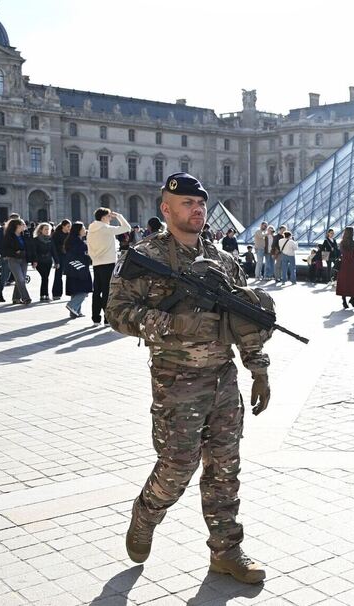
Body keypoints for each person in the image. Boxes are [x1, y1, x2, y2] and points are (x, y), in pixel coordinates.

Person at [107, 172, 272, 585]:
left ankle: (227, 551)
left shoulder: (222, 260)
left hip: (222, 378)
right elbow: (117, 314)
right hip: (175, 380)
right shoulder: (145, 257)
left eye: (200, 203)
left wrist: (259, 368)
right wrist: (172, 323)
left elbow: (245, 320)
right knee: (178, 466)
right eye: (187, 204)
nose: (196, 209)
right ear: (166, 209)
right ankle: (146, 513)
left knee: (224, 468)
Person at [86, 206, 131, 325]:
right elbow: (127, 228)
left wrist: (94, 257)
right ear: (103, 217)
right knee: (107, 291)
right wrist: (119, 216)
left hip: (96, 263)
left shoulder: (90, 230)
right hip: (109, 263)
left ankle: (95, 318)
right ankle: (107, 318)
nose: (110, 218)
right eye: (109, 216)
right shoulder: (106, 229)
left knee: (97, 291)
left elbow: (89, 247)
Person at [0, 218, 31, 305]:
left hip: (24, 259)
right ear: (17, 226)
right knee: (20, 279)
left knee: (20, 280)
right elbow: (4, 249)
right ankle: (26, 298)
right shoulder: (9, 236)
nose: (24, 226)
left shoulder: (25, 235)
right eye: (22, 225)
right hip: (14, 259)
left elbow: (30, 246)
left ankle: (16, 298)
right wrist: (15, 252)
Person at [63, 222, 91, 318]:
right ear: (78, 230)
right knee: (84, 289)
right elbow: (77, 254)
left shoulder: (72, 240)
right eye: (83, 228)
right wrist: (87, 256)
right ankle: (72, 305)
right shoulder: (76, 241)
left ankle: (75, 311)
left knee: (76, 289)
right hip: (79, 267)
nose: (85, 230)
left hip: (73, 268)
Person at [336, 227, 354, 309]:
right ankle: (352, 299)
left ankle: (344, 301)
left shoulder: (342, 243)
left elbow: (340, 253)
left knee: (344, 282)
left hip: (343, 265)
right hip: (352, 264)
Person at [29, 223, 55, 302]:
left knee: (45, 277)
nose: (47, 231)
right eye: (45, 229)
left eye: (48, 229)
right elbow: (34, 251)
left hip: (48, 261)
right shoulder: (35, 239)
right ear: (40, 230)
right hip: (39, 261)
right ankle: (44, 294)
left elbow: (53, 251)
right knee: (44, 277)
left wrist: (57, 261)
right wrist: (35, 261)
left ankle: (44, 295)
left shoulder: (50, 239)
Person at [51, 220, 71, 301]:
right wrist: (56, 260)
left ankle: (71, 292)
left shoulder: (69, 234)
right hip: (59, 256)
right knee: (58, 275)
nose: (69, 228)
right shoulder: (56, 234)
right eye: (68, 226)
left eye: (70, 226)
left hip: (68, 257)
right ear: (63, 226)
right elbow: (53, 248)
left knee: (70, 275)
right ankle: (56, 293)